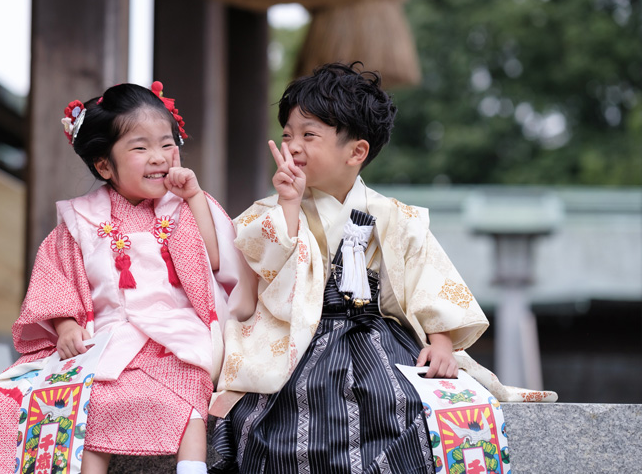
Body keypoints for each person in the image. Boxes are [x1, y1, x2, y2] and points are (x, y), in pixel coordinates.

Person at [0, 82, 255, 474]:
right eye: (140, 148)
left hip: (177, 333)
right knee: (92, 401)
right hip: (112, 335)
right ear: (104, 165)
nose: (159, 157)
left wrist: (194, 197)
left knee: (190, 384)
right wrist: (66, 326)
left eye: (167, 144)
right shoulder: (82, 220)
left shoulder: (183, 205)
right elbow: (55, 279)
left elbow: (213, 259)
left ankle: (192, 468)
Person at [209, 62, 494, 473]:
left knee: (405, 402)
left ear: (356, 152)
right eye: (287, 135)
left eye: (309, 135)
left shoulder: (395, 216)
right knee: (282, 416)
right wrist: (288, 205)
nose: (293, 146)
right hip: (296, 341)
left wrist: (442, 344)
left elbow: (429, 281)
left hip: (378, 339)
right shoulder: (270, 212)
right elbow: (263, 275)